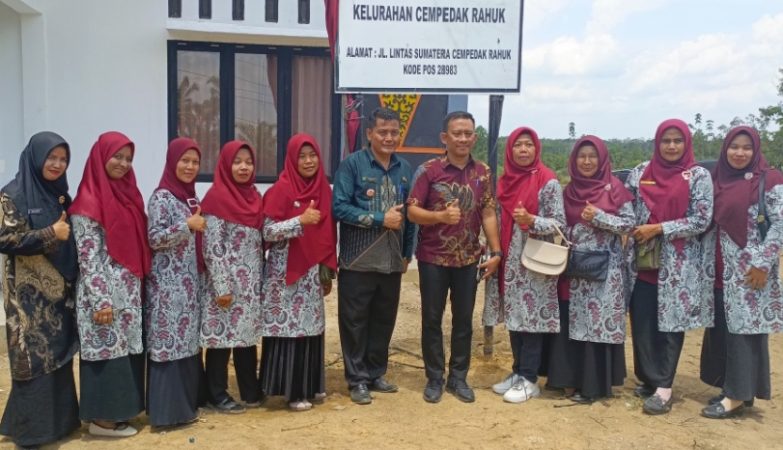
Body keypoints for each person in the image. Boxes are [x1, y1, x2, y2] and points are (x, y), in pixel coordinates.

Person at [407, 111, 501, 404]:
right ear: (444, 138)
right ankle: (434, 377)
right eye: (457, 133)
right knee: (432, 319)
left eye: (468, 133)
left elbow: (488, 212)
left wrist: (496, 251)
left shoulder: (483, 172)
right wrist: (439, 216)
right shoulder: (428, 171)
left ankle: (458, 378)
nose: (463, 138)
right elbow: (412, 211)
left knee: (463, 321)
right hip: (433, 258)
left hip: (469, 259)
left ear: (475, 137)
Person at [625, 119, 713, 415]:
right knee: (642, 322)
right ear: (657, 143)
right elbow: (626, 207)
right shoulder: (640, 172)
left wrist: (659, 228)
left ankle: (664, 387)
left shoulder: (698, 176)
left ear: (686, 143)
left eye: (677, 140)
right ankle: (649, 379)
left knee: (670, 326)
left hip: (678, 265)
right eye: (666, 140)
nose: (672, 146)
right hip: (642, 263)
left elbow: (701, 220)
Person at [0, 132, 81, 447]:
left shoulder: (58, 194)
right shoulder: (12, 194)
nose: (57, 164)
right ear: (36, 157)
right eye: (52, 157)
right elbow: (4, 239)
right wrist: (49, 233)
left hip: (58, 295)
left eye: (63, 159)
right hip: (27, 298)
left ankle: (59, 425)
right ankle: (33, 433)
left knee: (59, 357)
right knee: (32, 360)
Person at [332, 107, 415, 405]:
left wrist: (407, 253)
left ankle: (376, 372)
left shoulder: (405, 168)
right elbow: (339, 207)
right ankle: (357, 379)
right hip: (358, 260)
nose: (389, 137)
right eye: (383, 132)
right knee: (354, 322)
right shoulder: (352, 165)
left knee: (383, 320)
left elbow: (410, 215)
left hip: (392, 260)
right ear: (369, 133)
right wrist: (380, 219)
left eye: (394, 132)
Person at [70, 131, 150, 437]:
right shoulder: (87, 203)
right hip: (103, 297)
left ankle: (120, 414)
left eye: (128, 158)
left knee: (123, 354)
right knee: (106, 354)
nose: (123, 163)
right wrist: (101, 301)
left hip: (128, 294)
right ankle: (102, 421)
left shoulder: (128, 196)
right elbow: (89, 257)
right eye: (117, 156)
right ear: (100, 157)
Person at [700, 126, 783, 419]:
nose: (740, 153)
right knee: (726, 330)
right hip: (720, 270)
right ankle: (736, 388)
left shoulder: (769, 179)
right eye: (734, 147)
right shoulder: (718, 178)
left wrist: (763, 264)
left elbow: (780, 223)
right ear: (725, 150)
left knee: (744, 334)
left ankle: (736, 397)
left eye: (747, 147)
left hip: (750, 272)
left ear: (756, 150)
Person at [544, 135, 634, 403]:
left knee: (597, 325)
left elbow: (630, 223)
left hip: (605, 273)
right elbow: (560, 224)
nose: (586, 161)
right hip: (574, 271)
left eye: (592, 156)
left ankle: (593, 386)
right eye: (581, 156)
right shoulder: (568, 191)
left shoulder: (615, 188)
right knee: (572, 323)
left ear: (602, 159)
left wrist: (599, 217)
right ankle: (568, 380)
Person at [481, 127, 563, 404]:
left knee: (531, 322)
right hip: (508, 261)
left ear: (536, 148)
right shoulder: (504, 182)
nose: (524, 150)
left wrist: (532, 220)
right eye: (518, 145)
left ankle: (529, 379)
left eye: (529, 144)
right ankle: (518, 372)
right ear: (510, 150)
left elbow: (560, 224)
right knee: (514, 319)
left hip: (534, 265)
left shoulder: (547, 180)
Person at [259, 133, 337, 411]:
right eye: (302, 156)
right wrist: (298, 221)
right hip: (284, 274)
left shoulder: (323, 189)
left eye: (312, 155)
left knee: (311, 328)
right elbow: (266, 231)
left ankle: (310, 385)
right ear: (292, 159)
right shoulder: (281, 189)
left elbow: (328, 233)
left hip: (312, 272)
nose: (308, 161)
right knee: (289, 330)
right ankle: (291, 392)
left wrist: (327, 271)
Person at [145, 137, 206, 427]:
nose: (190, 167)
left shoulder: (189, 197)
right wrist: (186, 226)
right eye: (184, 161)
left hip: (189, 286)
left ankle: (185, 408)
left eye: (195, 162)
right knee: (168, 346)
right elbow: (154, 238)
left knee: (186, 346)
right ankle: (166, 414)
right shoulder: (162, 197)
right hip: (167, 287)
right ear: (172, 162)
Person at [200, 140, 264, 413]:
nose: (243, 167)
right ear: (226, 165)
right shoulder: (216, 198)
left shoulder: (254, 197)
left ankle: (250, 390)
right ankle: (216, 394)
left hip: (250, 284)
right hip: (225, 285)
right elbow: (212, 247)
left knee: (246, 336)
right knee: (221, 339)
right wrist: (222, 286)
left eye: (248, 162)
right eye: (237, 162)